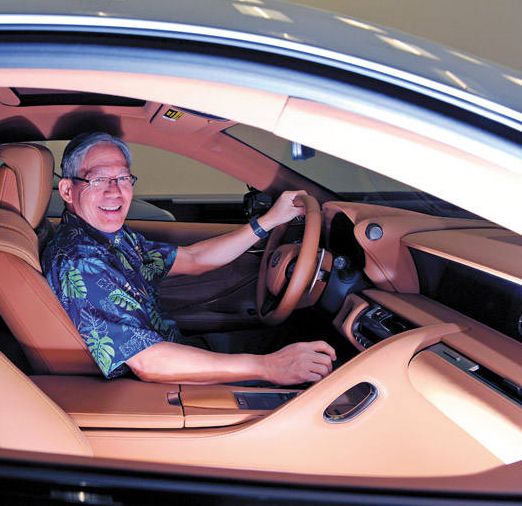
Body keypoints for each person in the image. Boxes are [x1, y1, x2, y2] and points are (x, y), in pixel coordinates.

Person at [42, 132, 336, 385]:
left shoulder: (110, 237)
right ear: (68, 190)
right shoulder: (80, 261)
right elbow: (147, 363)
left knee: (301, 334)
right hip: (162, 384)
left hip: (177, 351)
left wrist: (269, 221)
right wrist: (268, 367)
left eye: (122, 178)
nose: (114, 191)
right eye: (98, 180)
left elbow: (194, 259)